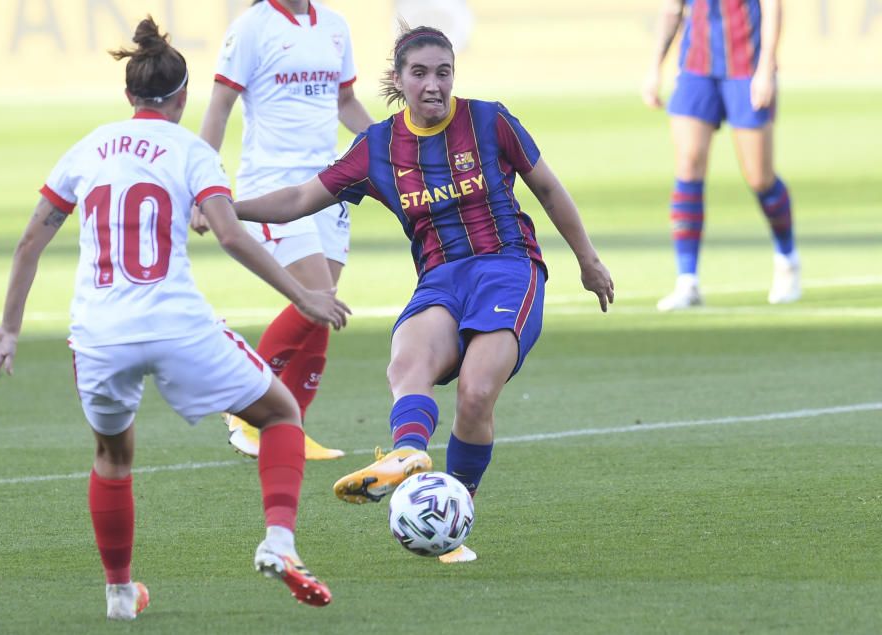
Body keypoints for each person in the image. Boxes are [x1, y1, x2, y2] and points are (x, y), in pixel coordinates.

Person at [0, 17, 346, 619]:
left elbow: (29, 244)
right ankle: (280, 542)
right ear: (183, 97)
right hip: (175, 325)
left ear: (128, 96)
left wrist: (9, 329)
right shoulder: (192, 151)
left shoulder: (86, 148)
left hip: (97, 334)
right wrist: (303, 296)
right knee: (279, 413)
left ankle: (120, 593)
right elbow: (229, 234)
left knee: (113, 458)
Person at [232, 26, 615, 563]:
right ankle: (409, 452)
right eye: (420, 73)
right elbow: (300, 197)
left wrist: (588, 260)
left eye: (443, 72)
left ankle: (452, 512)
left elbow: (547, 188)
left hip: (508, 269)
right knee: (406, 364)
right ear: (398, 79)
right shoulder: (378, 147)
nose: (433, 85)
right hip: (440, 276)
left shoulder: (490, 120)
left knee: (477, 394)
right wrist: (224, 206)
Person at [195, 0, 374, 460]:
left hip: (328, 186)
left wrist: (390, 145)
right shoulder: (252, 27)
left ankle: (290, 429)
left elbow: (346, 102)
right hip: (272, 188)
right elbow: (220, 105)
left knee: (323, 308)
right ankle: (242, 405)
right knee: (314, 297)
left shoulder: (335, 26)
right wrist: (199, 184)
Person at [642, 0, 799, 310]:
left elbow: (772, 8)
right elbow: (673, 10)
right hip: (696, 69)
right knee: (688, 163)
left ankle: (787, 260)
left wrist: (767, 67)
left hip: (746, 68)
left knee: (759, 177)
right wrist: (654, 67)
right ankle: (687, 281)